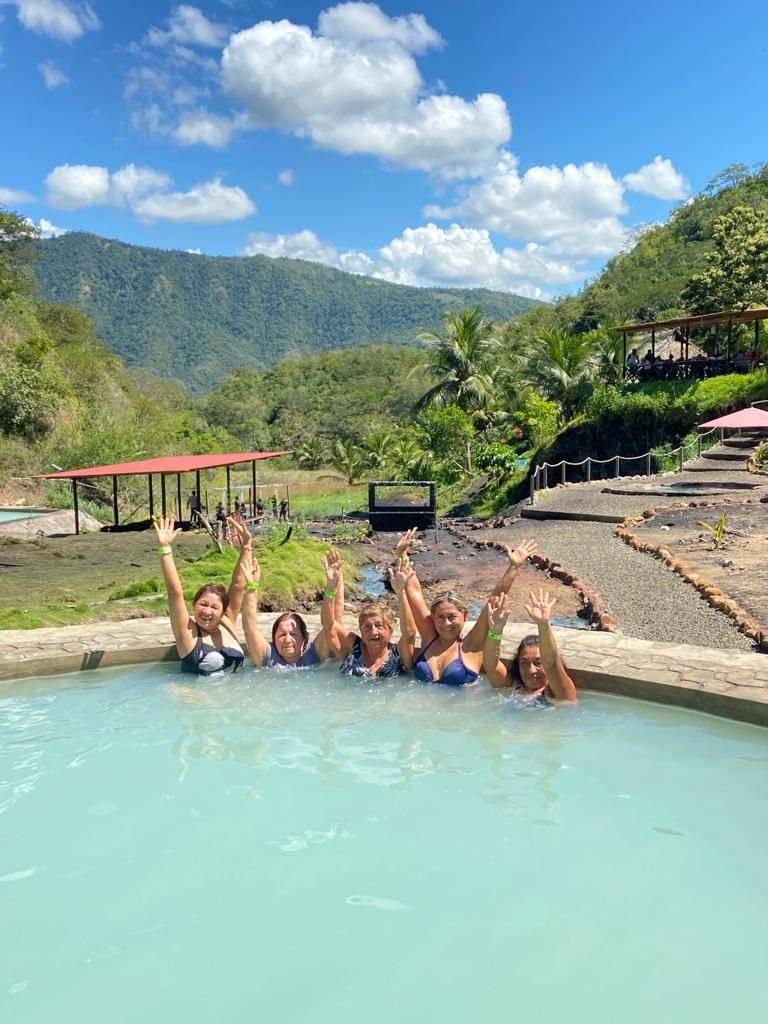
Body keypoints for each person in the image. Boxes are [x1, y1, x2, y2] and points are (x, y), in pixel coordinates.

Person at [399, 529, 538, 687]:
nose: (446, 624)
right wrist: (402, 555)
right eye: (440, 617)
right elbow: (414, 592)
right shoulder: (429, 635)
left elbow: (493, 600)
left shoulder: (471, 644)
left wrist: (514, 567)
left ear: (465, 615)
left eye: (452, 617)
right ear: (433, 617)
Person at [233, 522, 344, 669]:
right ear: (273, 640)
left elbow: (333, 624)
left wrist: (336, 582)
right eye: (282, 635)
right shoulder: (267, 658)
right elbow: (250, 629)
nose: (288, 639)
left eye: (293, 634)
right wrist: (252, 587)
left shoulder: (314, 655)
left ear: (304, 639)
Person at [152, 514, 244, 675]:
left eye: (214, 607)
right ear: (194, 605)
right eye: (203, 604)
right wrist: (165, 548)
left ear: (223, 612)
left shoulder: (227, 622)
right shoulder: (187, 633)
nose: (207, 611)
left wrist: (247, 547)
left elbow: (237, 585)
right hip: (198, 697)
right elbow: (175, 593)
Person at [321, 548, 416, 678]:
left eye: (379, 625)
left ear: (391, 629)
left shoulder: (398, 654)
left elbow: (409, 634)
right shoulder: (353, 649)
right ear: (360, 629)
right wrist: (331, 586)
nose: (373, 632)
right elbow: (329, 625)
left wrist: (401, 593)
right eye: (367, 626)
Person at [483, 588, 577, 703]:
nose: (531, 670)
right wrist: (495, 632)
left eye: (538, 663)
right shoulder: (513, 687)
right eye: (524, 663)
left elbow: (551, 663)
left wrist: (543, 624)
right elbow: (491, 666)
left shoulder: (559, 693)